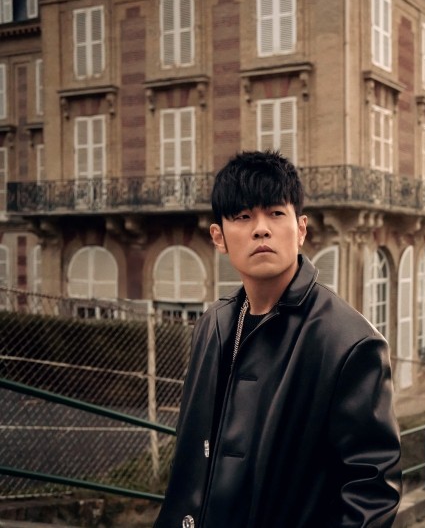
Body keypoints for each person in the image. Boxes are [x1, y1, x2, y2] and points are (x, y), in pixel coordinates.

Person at [154, 151, 402, 528]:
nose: (261, 229)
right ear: (219, 237)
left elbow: (373, 491)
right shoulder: (212, 324)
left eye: (275, 213)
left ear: (301, 229)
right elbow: (190, 463)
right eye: (243, 216)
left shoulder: (350, 342)